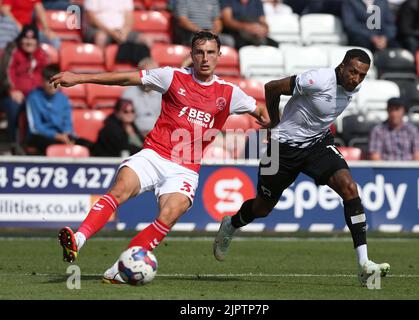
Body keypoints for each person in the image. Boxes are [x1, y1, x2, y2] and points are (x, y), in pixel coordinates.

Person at [52, 31, 270, 283]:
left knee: (171, 212)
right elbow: (126, 79)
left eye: (211, 52)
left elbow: (260, 110)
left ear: (219, 56)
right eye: (199, 52)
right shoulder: (172, 76)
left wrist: (267, 123)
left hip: (185, 169)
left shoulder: (229, 92)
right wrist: (79, 78)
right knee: (121, 188)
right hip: (154, 155)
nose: (205, 58)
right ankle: (78, 239)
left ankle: (119, 269)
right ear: (191, 55)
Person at [213, 49, 391, 286]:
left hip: (317, 144)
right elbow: (272, 87)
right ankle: (231, 224)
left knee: (350, 188)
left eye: (361, 75)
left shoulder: (354, 86)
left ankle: (364, 264)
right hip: (281, 149)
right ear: (341, 67)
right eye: (353, 72)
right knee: (263, 207)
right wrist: (275, 122)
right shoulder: (317, 79)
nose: (356, 79)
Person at [25, 64, 92, 155]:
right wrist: (56, 136)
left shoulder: (64, 99)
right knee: (50, 144)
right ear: (42, 81)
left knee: (88, 145)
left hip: (62, 136)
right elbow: (35, 127)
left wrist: (67, 135)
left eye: (55, 81)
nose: (52, 85)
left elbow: (68, 123)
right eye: (48, 81)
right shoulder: (33, 97)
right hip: (41, 136)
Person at [0, 25, 48, 149]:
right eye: (26, 38)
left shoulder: (42, 54)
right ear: (21, 39)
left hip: (36, 95)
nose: (29, 42)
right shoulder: (13, 51)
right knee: (14, 105)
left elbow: (47, 74)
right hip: (12, 94)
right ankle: (13, 143)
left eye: (32, 39)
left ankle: (36, 144)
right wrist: (13, 90)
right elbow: (6, 71)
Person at [83, 0, 153, 49]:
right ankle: (101, 67)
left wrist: (124, 32)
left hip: (121, 31)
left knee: (146, 39)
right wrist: (112, 33)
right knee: (101, 38)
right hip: (100, 29)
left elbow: (129, 16)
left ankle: (143, 66)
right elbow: (91, 17)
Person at [121, 57, 162, 136]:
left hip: (158, 135)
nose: (149, 78)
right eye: (146, 74)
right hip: (135, 135)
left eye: (153, 74)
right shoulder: (128, 94)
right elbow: (125, 121)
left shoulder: (164, 93)